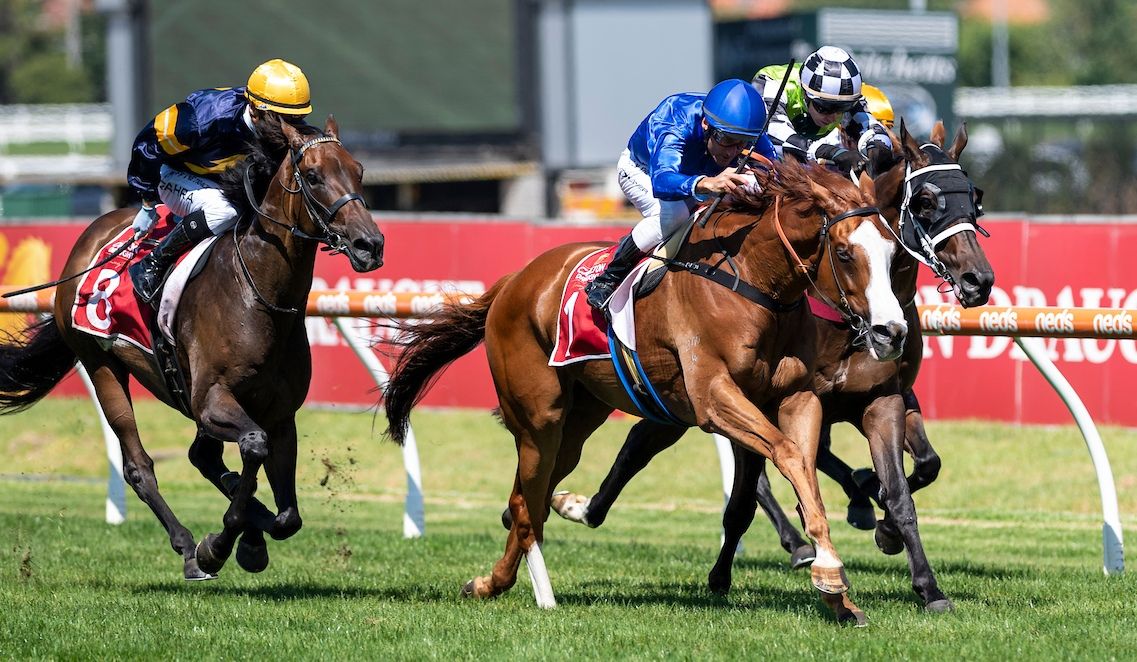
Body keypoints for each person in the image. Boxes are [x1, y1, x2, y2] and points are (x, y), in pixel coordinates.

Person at [127, 58, 313, 303]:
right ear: (254, 111)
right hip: (176, 174)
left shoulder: (278, 124)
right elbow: (147, 145)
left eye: (296, 119)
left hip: (224, 181)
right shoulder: (202, 118)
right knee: (226, 212)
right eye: (281, 119)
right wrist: (147, 203)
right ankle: (153, 263)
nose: (291, 128)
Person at [584, 78, 777, 310]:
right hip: (644, 172)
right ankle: (609, 278)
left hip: (700, 177)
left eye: (743, 143)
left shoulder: (748, 130)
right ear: (706, 124)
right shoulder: (675, 118)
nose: (732, 152)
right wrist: (706, 183)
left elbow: (774, 172)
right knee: (674, 214)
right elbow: (663, 181)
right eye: (726, 140)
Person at [751, 46, 891, 173]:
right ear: (805, 94)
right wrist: (830, 152)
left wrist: (878, 148)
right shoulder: (772, 84)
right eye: (825, 108)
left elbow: (873, 128)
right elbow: (774, 134)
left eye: (842, 108)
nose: (833, 117)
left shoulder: (846, 96)